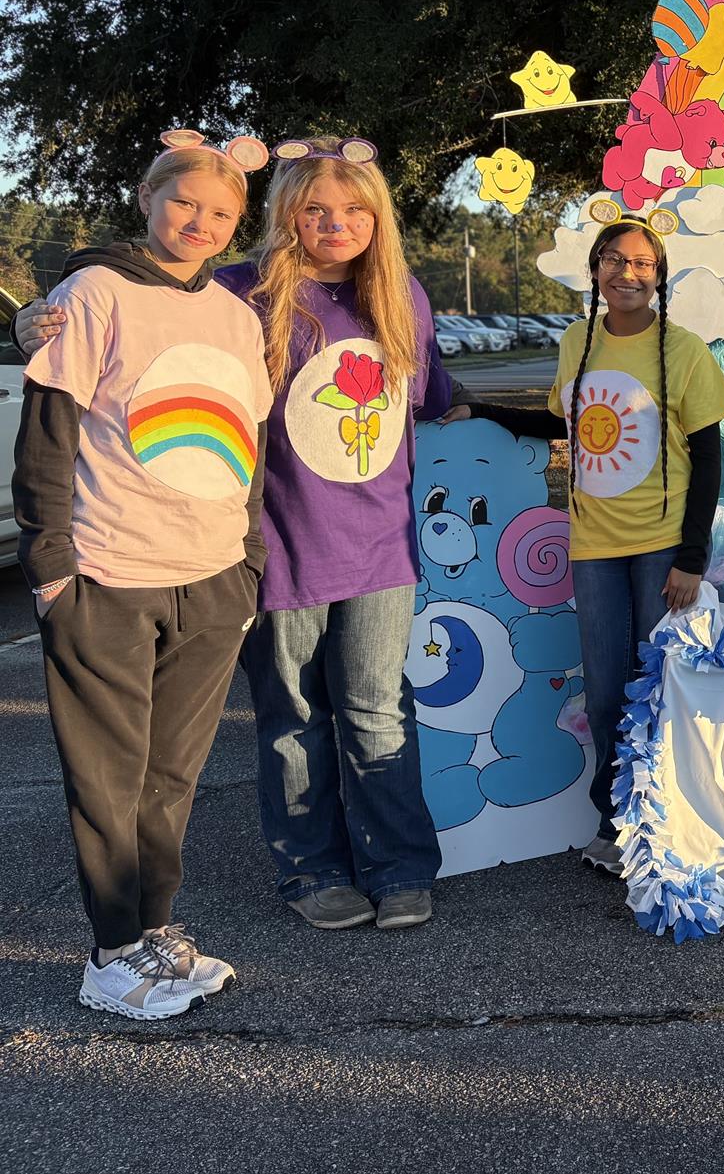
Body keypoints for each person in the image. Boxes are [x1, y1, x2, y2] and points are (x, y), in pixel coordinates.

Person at [19, 137, 455, 934]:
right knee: (292, 715)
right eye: (316, 207)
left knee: (377, 711)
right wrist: (33, 322)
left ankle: (398, 864)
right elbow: (142, 302)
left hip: (381, 550)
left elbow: (431, 399)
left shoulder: (401, 295)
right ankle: (311, 867)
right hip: (282, 543)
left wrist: (542, 418)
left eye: (355, 208)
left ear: (377, 217)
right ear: (286, 210)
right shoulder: (240, 290)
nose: (336, 222)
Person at [14, 131, 272, 1019]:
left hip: (209, 578)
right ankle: (111, 954)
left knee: (173, 775)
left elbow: (252, 447)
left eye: (223, 212)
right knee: (109, 776)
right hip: (109, 574)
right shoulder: (94, 293)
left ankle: (156, 930)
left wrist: (248, 563)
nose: (200, 222)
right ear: (146, 196)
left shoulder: (237, 316)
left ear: (240, 225)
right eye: (185, 202)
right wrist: (50, 570)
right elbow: (49, 435)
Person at [448, 218, 724, 871]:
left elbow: (709, 455)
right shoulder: (577, 338)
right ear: (596, 271)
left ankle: (671, 825)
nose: (625, 272)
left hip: (662, 546)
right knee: (607, 692)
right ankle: (618, 822)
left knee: (660, 684)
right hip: (594, 545)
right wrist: (486, 412)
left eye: (640, 263)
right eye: (612, 259)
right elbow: (566, 417)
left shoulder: (682, 349)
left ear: (658, 276)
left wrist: (692, 557)